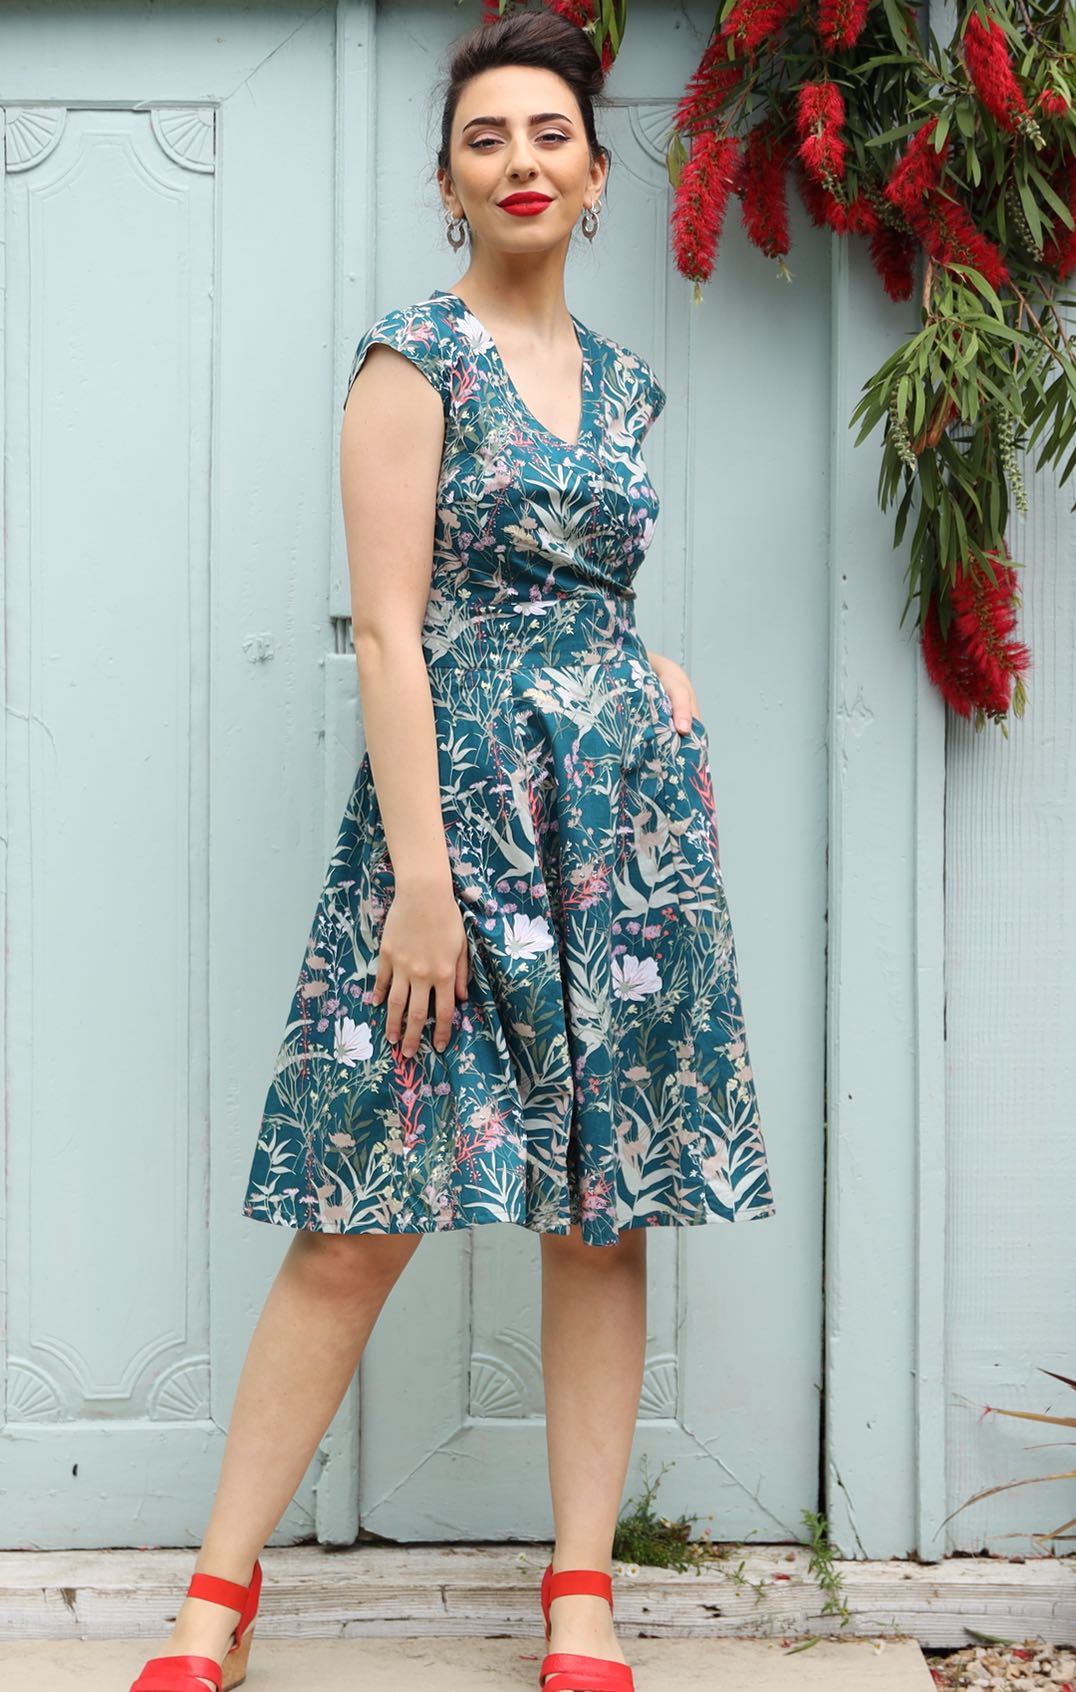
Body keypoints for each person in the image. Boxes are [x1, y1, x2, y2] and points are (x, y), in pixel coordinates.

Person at [128, 12, 774, 1692]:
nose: (522, 162)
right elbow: (395, 635)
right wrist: (421, 878)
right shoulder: (414, 363)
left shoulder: (621, 387)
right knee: (359, 1215)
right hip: (451, 833)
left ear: (595, 172)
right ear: (447, 183)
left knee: (601, 1210)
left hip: (613, 836)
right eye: (486, 138)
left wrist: (656, 667)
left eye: (549, 132)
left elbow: (584, 589)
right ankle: (216, 1605)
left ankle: (579, 1600)